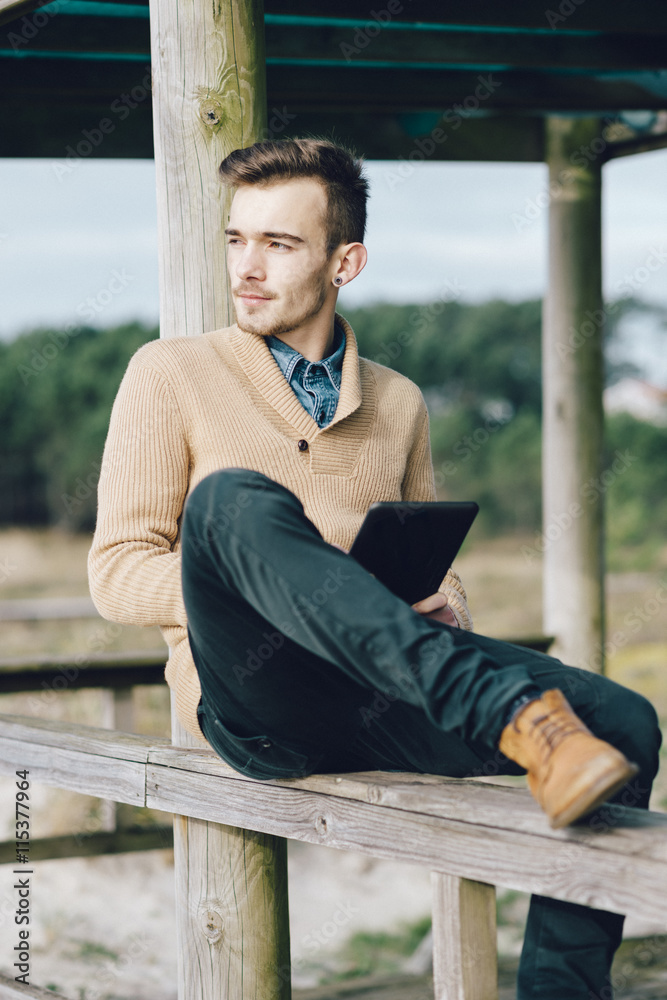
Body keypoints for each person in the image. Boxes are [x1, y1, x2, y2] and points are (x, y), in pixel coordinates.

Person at [88, 137, 660, 999]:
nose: (246, 267)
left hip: (386, 688)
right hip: (257, 698)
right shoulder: (170, 373)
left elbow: (437, 564)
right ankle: (500, 706)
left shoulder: (397, 401)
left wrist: (444, 604)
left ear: (343, 260)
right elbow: (117, 572)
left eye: (278, 245)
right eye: (237, 240)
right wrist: (281, 589)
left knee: (621, 718)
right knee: (231, 501)